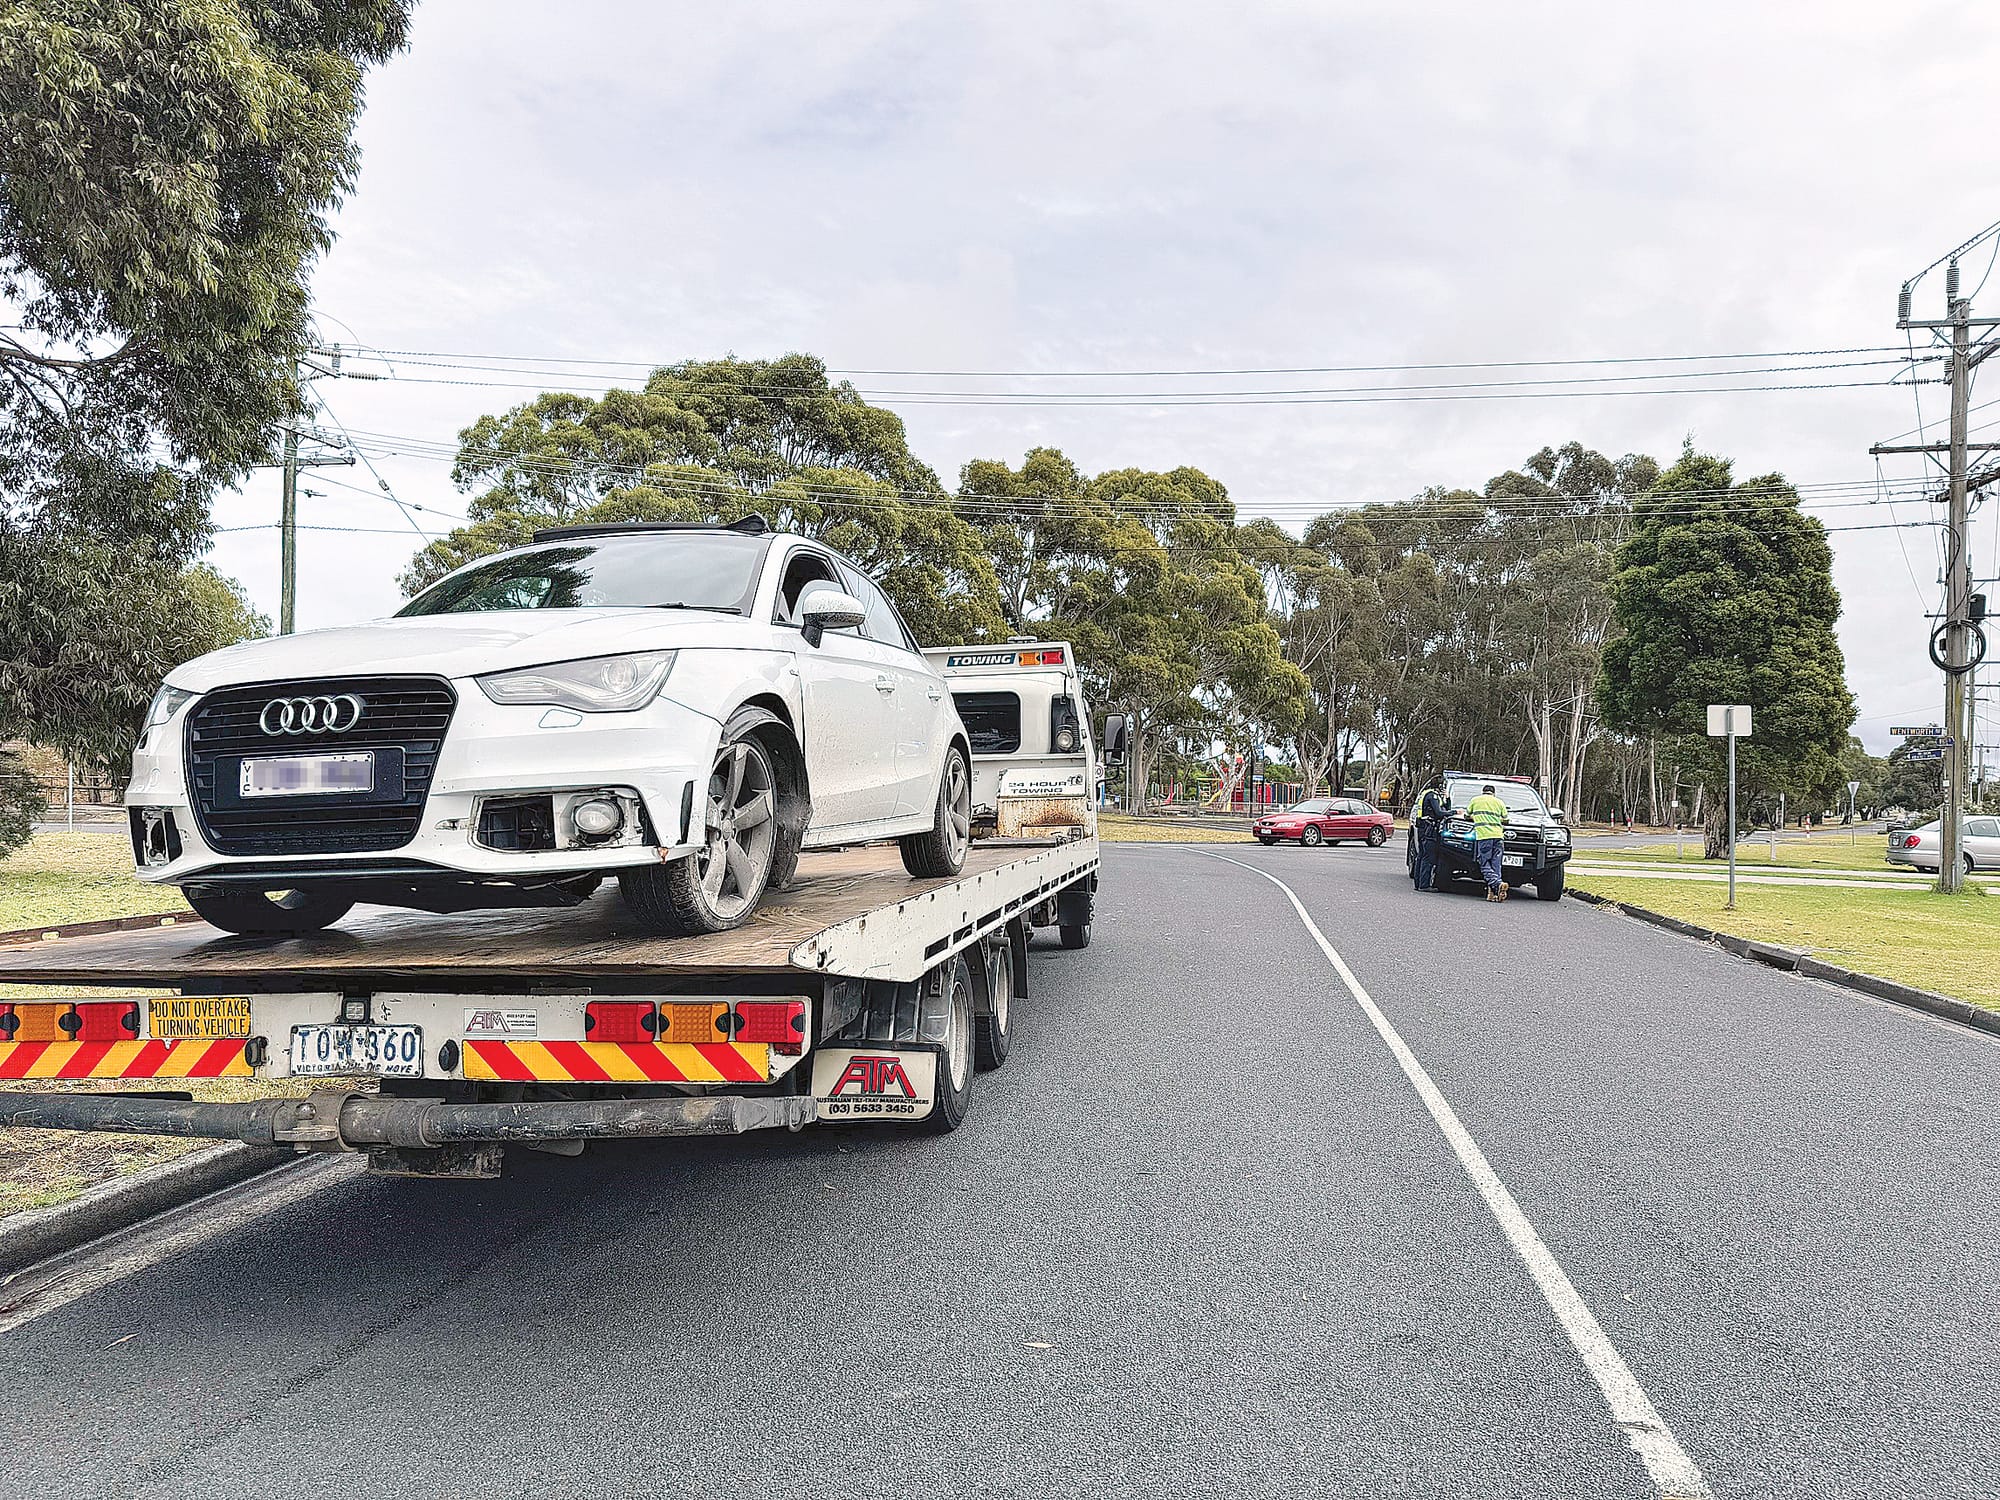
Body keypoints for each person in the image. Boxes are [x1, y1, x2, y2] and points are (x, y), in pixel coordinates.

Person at [1467, 782, 1510, 901]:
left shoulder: (1475, 800)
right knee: (1496, 864)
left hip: (1484, 836)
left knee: (1484, 862)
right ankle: (1493, 894)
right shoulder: (1499, 802)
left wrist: (1476, 817)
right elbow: (1506, 820)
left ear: (1483, 791)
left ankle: (1497, 884)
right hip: (1498, 836)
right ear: (1493, 793)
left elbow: (1467, 815)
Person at [1411, 781, 1445, 892]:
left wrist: (1447, 800)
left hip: (1422, 828)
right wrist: (1454, 811)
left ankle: (1418, 884)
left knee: (1420, 856)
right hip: (1428, 829)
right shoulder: (1433, 795)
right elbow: (1439, 813)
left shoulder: (1425, 794)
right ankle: (1424, 885)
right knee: (1428, 857)